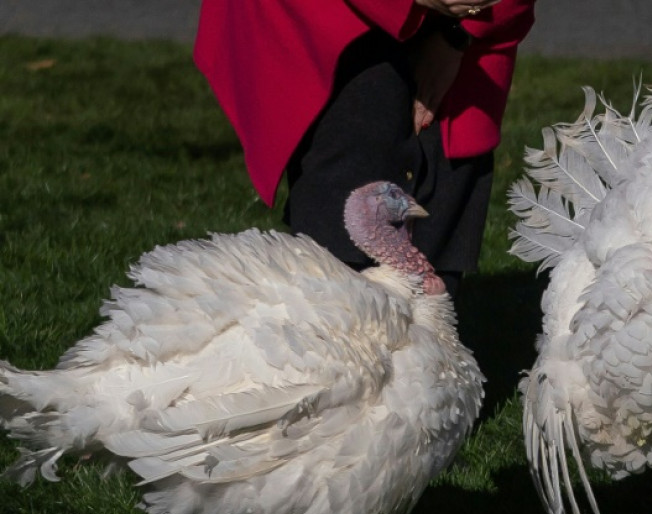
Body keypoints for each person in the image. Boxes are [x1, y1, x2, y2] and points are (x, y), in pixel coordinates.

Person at [193, 0, 537, 299]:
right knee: (355, 150)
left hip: (464, 31)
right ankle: (334, 310)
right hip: (336, 23)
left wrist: (458, 33)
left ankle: (432, 320)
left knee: (444, 169)